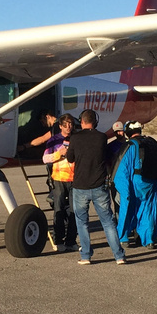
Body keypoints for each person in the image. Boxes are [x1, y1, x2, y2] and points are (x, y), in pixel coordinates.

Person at [66, 109, 126, 265]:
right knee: (108, 222)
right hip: (99, 185)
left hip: (80, 185)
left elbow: (70, 158)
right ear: (96, 121)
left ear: (82, 121)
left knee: (82, 222)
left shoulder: (75, 138)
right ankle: (118, 256)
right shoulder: (101, 137)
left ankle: (86, 255)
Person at [113, 121, 157, 250]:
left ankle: (123, 237)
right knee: (149, 211)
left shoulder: (130, 145)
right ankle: (148, 240)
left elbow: (122, 169)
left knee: (129, 208)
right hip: (152, 183)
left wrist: (121, 188)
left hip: (136, 182)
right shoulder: (152, 142)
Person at [42, 114, 78, 252]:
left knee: (75, 211)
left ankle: (71, 240)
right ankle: (58, 240)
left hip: (75, 179)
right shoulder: (53, 140)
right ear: (60, 126)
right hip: (59, 179)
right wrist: (59, 154)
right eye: (66, 124)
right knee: (59, 209)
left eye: (71, 124)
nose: (69, 127)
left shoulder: (76, 139)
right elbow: (45, 158)